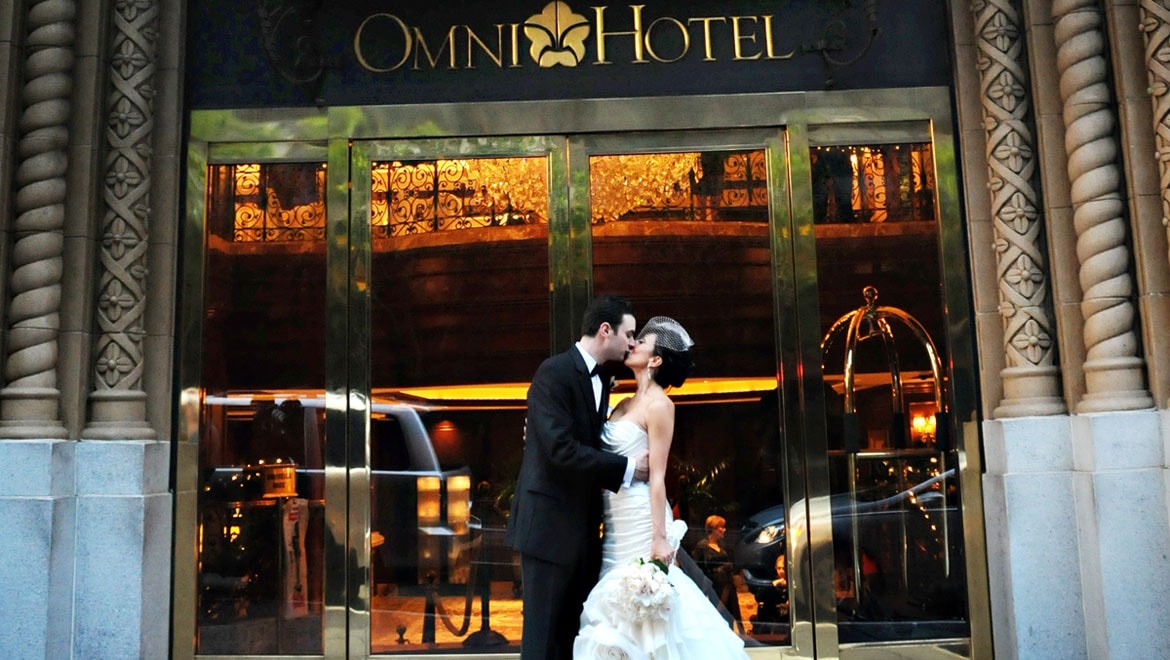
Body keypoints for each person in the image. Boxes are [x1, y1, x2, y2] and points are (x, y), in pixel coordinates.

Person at [575, 317, 747, 659]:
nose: (633, 344)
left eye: (642, 342)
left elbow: (657, 477)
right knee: (617, 616)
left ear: (655, 360)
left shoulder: (660, 405)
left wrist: (658, 537)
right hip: (614, 523)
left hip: (642, 518)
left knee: (648, 612)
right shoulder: (622, 404)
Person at [506, 295, 648, 660]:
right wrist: (629, 468)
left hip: (583, 531)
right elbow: (561, 450)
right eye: (629, 334)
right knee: (543, 640)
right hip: (549, 530)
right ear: (605, 330)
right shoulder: (553, 372)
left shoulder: (604, 380)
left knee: (573, 635)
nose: (633, 342)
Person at [692, 514, 743, 628]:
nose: (724, 530)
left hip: (727, 586)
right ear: (713, 529)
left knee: (729, 615)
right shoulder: (702, 547)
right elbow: (697, 568)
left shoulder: (723, 546)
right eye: (721, 527)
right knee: (716, 615)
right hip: (714, 587)